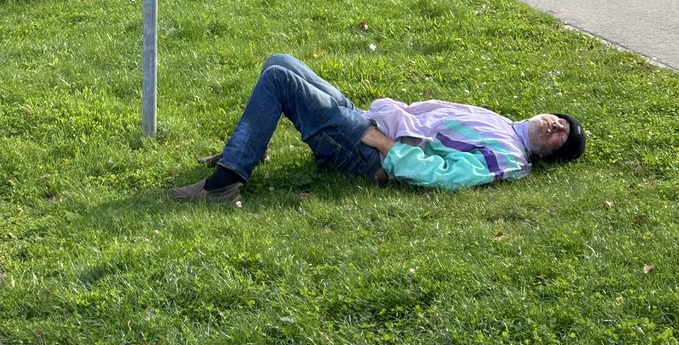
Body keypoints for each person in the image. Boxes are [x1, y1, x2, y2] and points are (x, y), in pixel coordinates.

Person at [168, 53, 586, 204]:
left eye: (560, 137)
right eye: (560, 121)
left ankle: (223, 184)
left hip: (369, 154)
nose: (556, 126)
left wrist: (383, 143)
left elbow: (444, 177)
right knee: (280, 61)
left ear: (548, 154)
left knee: (279, 80)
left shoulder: (509, 157)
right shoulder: (501, 122)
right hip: (368, 124)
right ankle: (250, 149)